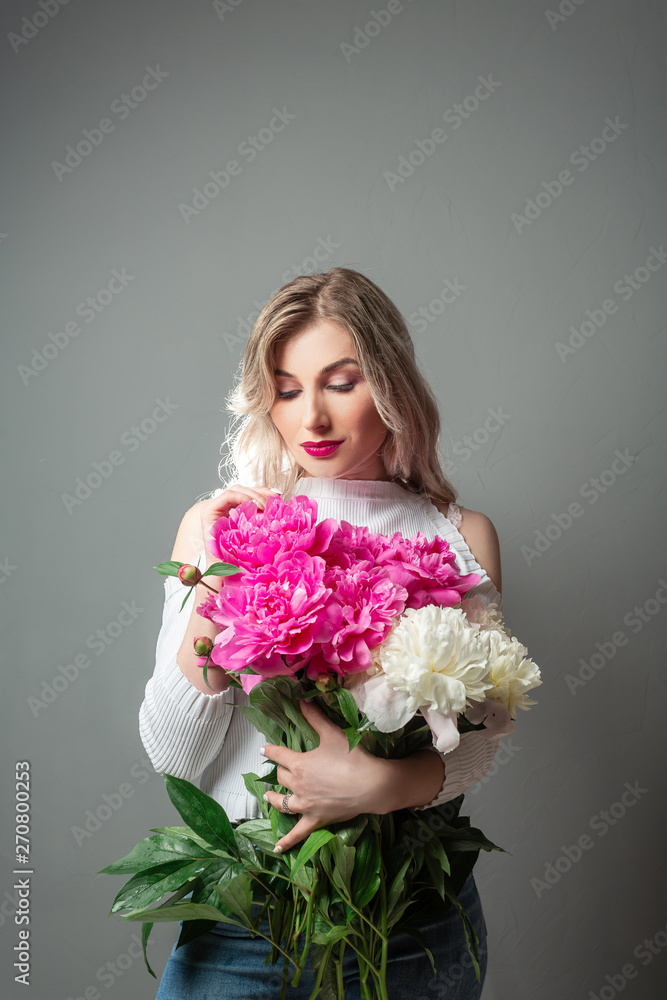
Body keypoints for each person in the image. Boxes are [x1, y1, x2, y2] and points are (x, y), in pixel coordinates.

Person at [140, 267, 507, 998]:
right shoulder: (215, 526)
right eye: (285, 388)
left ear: (391, 385)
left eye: (340, 382)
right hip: (246, 924)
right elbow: (173, 756)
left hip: (411, 922)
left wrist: (381, 784)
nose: (312, 416)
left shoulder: (459, 536)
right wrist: (221, 581)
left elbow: (481, 737)